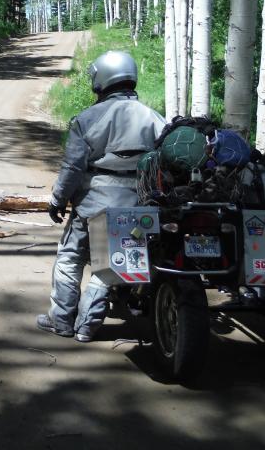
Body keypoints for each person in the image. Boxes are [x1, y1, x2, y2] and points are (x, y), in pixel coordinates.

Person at [36, 50, 166, 342]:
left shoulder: (87, 118)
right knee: (112, 265)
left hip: (92, 204)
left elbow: (73, 167)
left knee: (71, 256)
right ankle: (87, 326)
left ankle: (62, 320)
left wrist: (58, 199)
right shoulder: (155, 118)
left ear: (102, 79)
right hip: (137, 205)